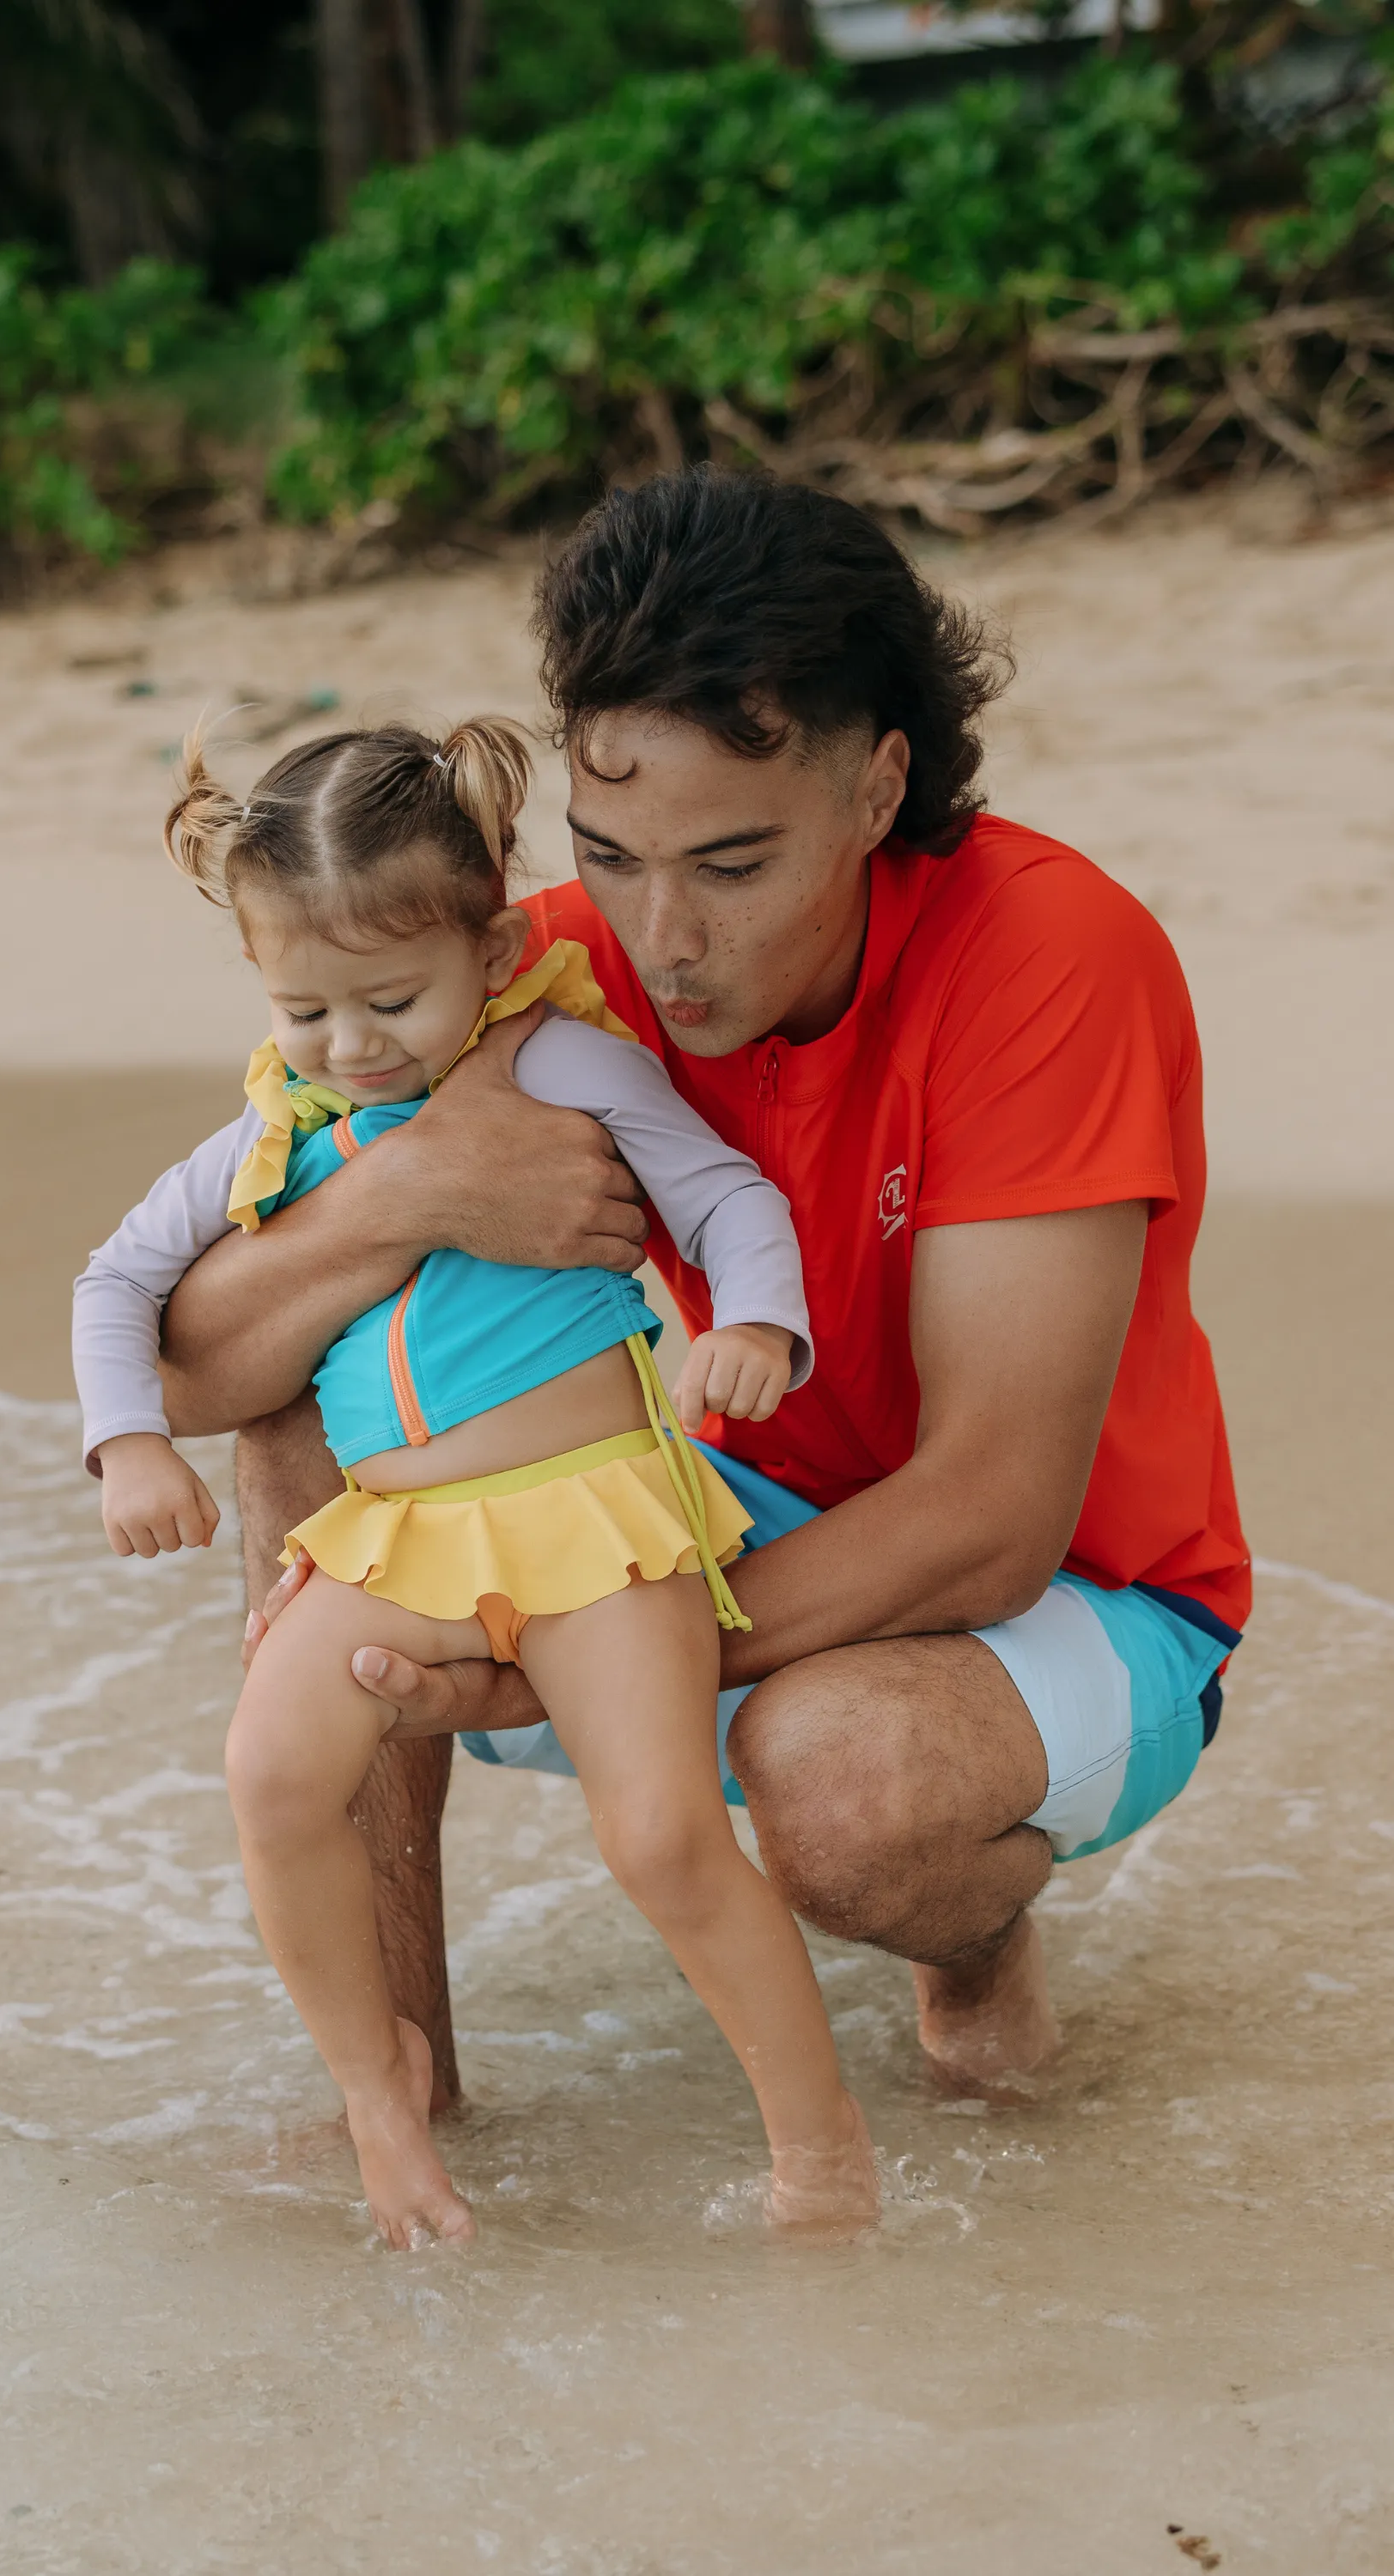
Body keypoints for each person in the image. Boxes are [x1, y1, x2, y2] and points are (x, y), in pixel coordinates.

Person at [150, 471, 1250, 2114]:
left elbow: (994, 1514)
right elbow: (200, 1373)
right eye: (610, 854)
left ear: (879, 787)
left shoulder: (1047, 957)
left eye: (733, 864)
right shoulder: (535, 970)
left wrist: (583, 1656)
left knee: (845, 1789)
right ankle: (409, 2104)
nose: (661, 941)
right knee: (317, 1425)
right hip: (724, 1502)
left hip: (1084, 1594)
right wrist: (405, 1191)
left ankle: (977, 1927)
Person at [72, 712, 880, 2249]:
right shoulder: (279, 1127)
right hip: (400, 1538)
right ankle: (385, 2093)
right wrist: (126, 1446)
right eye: (305, 1007)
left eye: (391, 998)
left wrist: (758, 1320)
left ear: (494, 941)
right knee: (272, 1773)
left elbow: (725, 1193)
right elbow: (115, 1284)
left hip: (591, 1509)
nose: (352, 1045)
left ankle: (817, 2144)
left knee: (657, 1833)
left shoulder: (556, 1057)